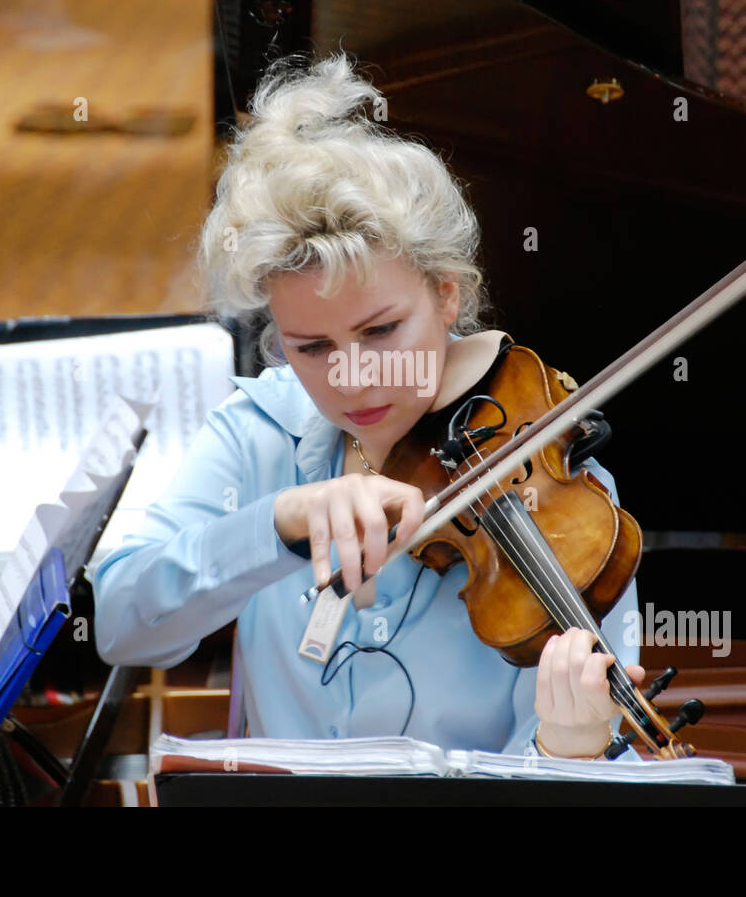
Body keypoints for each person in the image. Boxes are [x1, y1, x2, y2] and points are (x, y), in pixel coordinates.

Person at [93, 51, 644, 761]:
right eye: (311, 346)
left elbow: (577, 778)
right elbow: (122, 623)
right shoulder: (259, 434)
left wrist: (570, 744)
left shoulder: (553, 481)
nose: (351, 377)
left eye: (380, 331)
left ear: (448, 293)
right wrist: (276, 527)